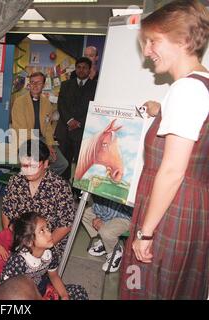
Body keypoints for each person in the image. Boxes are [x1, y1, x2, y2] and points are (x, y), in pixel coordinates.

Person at [120, 0, 209, 300]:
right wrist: (161, 110)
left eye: (153, 41)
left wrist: (145, 233)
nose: (146, 52)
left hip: (169, 211)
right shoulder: (200, 85)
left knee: (145, 287)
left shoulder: (187, 90)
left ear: (183, 41)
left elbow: (172, 171)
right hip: (184, 206)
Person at [1, 139, 75, 261]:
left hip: (48, 244)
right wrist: (9, 240)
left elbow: (65, 225)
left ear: (45, 163)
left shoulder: (59, 186)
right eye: (24, 165)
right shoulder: (15, 182)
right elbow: (6, 213)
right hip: (20, 241)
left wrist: (39, 249)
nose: (28, 170)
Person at [0, 211, 88, 300]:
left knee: (79, 291)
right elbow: (10, 291)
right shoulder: (19, 261)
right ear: (29, 241)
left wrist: (64, 296)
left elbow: (53, 275)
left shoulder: (50, 253)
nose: (49, 233)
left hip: (43, 289)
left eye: (47, 228)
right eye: (42, 231)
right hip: (22, 295)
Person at [11, 71, 68, 176]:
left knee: (62, 164)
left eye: (38, 82)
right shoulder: (20, 102)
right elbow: (21, 130)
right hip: (25, 140)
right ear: (29, 84)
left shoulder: (46, 103)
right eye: (32, 82)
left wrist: (50, 145)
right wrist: (44, 148)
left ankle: (42, 181)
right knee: (36, 164)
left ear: (44, 85)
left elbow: (48, 128)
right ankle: (34, 180)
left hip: (42, 140)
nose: (35, 85)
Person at [56, 57, 98, 181]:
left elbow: (94, 108)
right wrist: (70, 120)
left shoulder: (95, 87)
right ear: (75, 68)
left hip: (84, 131)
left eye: (84, 68)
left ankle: (77, 191)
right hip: (65, 130)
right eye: (79, 67)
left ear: (89, 70)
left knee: (82, 163)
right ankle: (62, 188)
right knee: (64, 163)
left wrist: (79, 123)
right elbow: (61, 105)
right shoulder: (66, 85)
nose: (81, 70)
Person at [82, 195, 132, 272]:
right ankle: (105, 242)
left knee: (106, 232)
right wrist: (98, 216)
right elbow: (97, 201)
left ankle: (115, 251)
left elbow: (115, 208)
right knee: (83, 213)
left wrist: (102, 220)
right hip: (107, 213)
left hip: (124, 216)